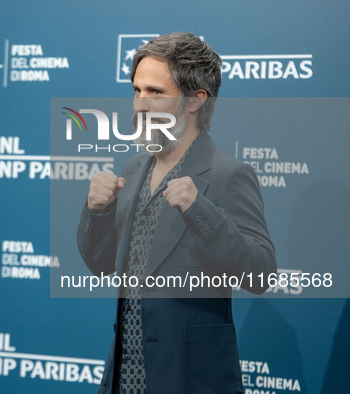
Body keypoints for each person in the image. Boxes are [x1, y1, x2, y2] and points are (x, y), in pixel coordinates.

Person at [76, 32, 277, 393]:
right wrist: (97, 212)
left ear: (195, 100)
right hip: (124, 380)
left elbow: (261, 274)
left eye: (155, 92)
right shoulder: (133, 170)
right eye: (137, 91)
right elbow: (102, 265)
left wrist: (199, 208)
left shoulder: (227, 174)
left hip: (191, 381)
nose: (139, 105)